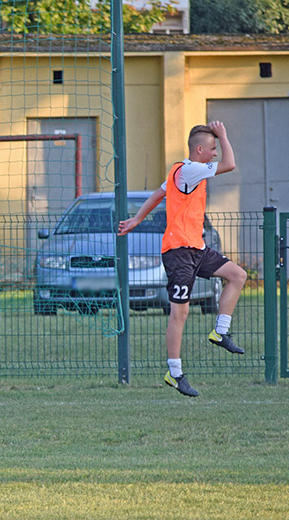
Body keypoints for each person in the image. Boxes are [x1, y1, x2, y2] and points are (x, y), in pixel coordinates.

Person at [118, 121, 247, 397]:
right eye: (212, 149)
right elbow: (230, 164)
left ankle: (220, 332)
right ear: (200, 150)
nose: (215, 154)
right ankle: (174, 373)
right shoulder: (190, 170)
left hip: (196, 249)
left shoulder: (180, 170)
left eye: (217, 148)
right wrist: (224, 135)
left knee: (237, 275)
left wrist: (137, 219)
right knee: (180, 312)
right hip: (179, 252)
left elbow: (159, 192)